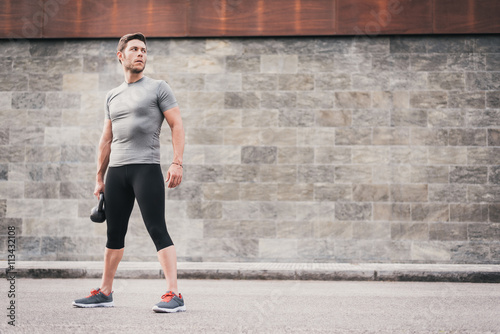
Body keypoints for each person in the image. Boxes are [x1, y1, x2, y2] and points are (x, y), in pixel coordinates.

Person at [72, 32, 186, 313]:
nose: (141, 54)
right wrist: (99, 177)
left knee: (157, 229)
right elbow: (106, 139)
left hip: (145, 168)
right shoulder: (112, 95)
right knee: (114, 234)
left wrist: (177, 162)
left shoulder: (159, 88)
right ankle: (105, 292)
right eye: (134, 49)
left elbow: (177, 125)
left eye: (144, 50)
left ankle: (174, 293)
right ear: (121, 56)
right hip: (116, 174)